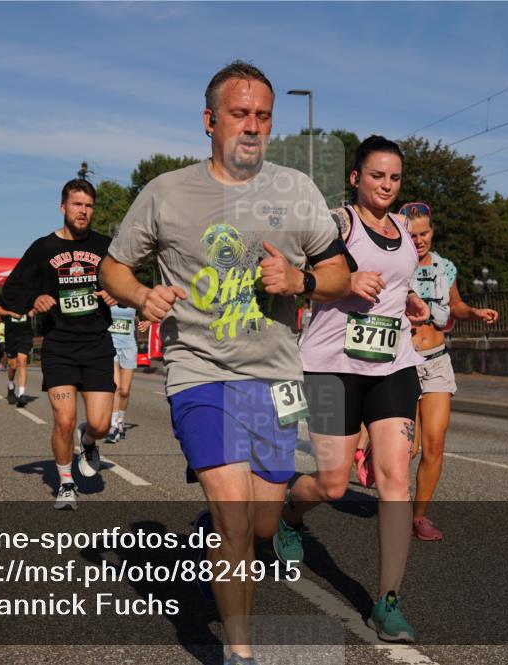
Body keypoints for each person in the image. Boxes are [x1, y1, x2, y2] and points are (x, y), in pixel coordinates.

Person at [100, 61, 352, 665]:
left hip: (278, 378)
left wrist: (301, 278)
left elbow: (339, 272)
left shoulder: (296, 189)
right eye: (240, 114)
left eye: (263, 115)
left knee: (262, 523)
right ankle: (239, 653)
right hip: (200, 373)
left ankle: (283, 519)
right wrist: (141, 295)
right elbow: (114, 266)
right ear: (210, 121)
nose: (252, 126)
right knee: (234, 519)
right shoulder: (165, 192)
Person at [273, 137, 429, 643]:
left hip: (393, 364)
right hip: (329, 367)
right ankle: (289, 516)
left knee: (394, 480)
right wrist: (342, 283)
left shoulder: (404, 229)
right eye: (377, 176)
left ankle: (388, 602)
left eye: (395, 177)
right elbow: (297, 277)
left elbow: (398, 281)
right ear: (355, 178)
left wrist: (410, 303)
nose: (386, 185)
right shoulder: (336, 224)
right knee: (334, 483)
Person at [1, 172, 116, 510]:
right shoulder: (43, 248)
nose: (83, 211)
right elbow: (12, 290)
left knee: (100, 423)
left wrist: (115, 292)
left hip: (96, 343)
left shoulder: (104, 248)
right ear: (63, 207)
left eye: (89, 206)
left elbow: (127, 281)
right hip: (60, 345)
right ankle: (66, 483)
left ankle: (90, 441)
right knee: (63, 419)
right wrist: (34, 299)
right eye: (77, 205)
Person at [401, 202, 499, 541]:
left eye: (424, 232)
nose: (418, 240)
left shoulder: (445, 267)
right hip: (402, 361)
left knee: (434, 444)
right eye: (412, 234)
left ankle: (419, 518)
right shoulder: (394, 264)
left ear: (433, 231)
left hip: (437, 361)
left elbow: (454, 305)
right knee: (406, 450)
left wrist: (474, 311)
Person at [105, 304, 149, 442]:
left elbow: (151, 309)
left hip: (129, 347)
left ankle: (120, 421)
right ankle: (113, 426)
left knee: (125, 391)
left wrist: (147, 322)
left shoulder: (132, 297)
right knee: (116, 387)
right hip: (110, 346)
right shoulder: (108, 296)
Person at [0, 303, 34, 407]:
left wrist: (34, 311)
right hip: (11, 334)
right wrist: (10, 313)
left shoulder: (29, 293)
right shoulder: (9, 292)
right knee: (13, 365)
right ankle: (11, 385)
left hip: (25, 333)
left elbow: (38, 305)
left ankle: (21, 395)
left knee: (22, 360)